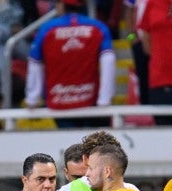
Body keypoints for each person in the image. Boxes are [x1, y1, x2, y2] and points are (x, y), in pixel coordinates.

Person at [25, 0, 116, 128]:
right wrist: (105, 99)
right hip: (90, 101)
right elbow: (108, 61)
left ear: (61, 5)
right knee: (94, 145)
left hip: (59, 102)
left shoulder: (47, 29)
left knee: (70, 145)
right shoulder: (98, 27)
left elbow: (35, 63)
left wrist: (32, 99)